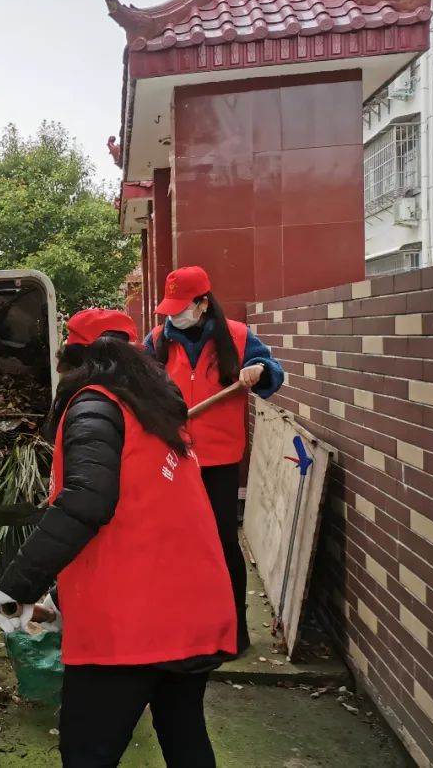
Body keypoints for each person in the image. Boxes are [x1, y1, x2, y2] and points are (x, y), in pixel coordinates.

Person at [0, 309, 236, 768]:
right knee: (185, 738)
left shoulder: (94, 404)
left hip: (133, 625)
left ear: (77, 357)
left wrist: (16, 586)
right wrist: (62, 598)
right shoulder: (160, 411)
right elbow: (142, 511)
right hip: (193, 613)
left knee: (88, 753)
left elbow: (86, 502)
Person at [144, 267, 284, 652]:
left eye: (181, 307)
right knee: (176, 545)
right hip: (172, 459)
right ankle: (182, 629)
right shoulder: (156, 341)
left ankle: (233, 632)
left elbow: (274, 372)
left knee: (222, 543)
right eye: (169, 309)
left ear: (203, 303)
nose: (173, 316)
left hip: (220, 462)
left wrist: (260, 370)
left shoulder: (237, 337)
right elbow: (137, 385)